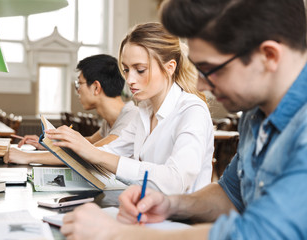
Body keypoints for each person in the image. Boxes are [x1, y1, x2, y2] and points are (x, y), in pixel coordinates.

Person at [59, 0, 307, 239]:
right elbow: (231, 194)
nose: (200, 84)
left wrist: (116, 234)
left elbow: (259, 234)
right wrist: (171, 204)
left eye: (209, 69)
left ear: (270, 56)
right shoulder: (254, 114)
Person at [45, 22, 214, 195]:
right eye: (126, 70)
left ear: (169, 67)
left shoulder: (193, 111)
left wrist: (94, 153)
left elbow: (175, 181)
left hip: (185, 219)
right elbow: (110, 152)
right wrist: (72, 145)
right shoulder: (144, 112)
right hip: (148, 211)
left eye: (140, 70)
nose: (130, 79)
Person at [4, 54, 138, 165]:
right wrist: (50, 144)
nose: (77, 90)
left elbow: (90, 152)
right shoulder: (110, 120)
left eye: (79, 84)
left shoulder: (130, 119)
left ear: (96, 87)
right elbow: (90, 142)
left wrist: (28, 157)